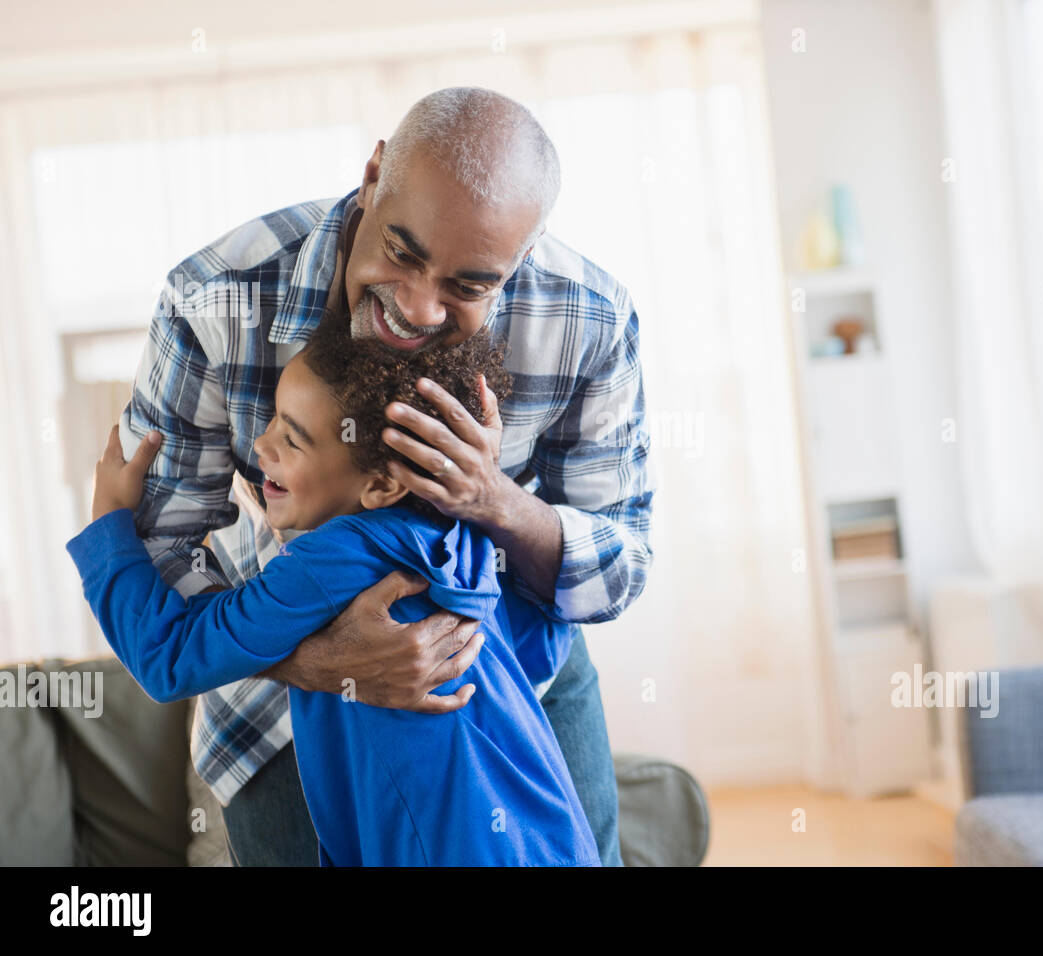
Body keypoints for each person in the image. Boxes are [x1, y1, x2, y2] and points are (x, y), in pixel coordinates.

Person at [119, 87, 654, 865]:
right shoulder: (214, 302)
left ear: (523, 256)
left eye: (468, 286)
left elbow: (622, 566)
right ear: (373, 176)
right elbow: (161, 554)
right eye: (402, 252)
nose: (416, 308)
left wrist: (494, 500)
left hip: (510, 684)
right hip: (277, 698)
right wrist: (321, 660)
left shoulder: (588, 321)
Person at [70, 325, 600, 866]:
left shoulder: (335, 556)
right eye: (272, 420)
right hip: (551, 839)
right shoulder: (467, 541)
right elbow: (542, 647)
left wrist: (108, 522)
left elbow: (171, 657)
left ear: (381, 486)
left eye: (292, 439)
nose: (260, 446)